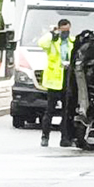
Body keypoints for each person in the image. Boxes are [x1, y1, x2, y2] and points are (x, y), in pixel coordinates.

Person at [37, 19, 74, 147]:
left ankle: (65, 138)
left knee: (66, 112)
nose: (65, 33)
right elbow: (41, 43)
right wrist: (51, 33)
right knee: (50, 111)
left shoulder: (71, 42)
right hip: (53, 82)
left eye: (67, 30)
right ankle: (45, 137)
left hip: (66, 81)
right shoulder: (52, 42)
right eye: (63, 30)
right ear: (59, 29)